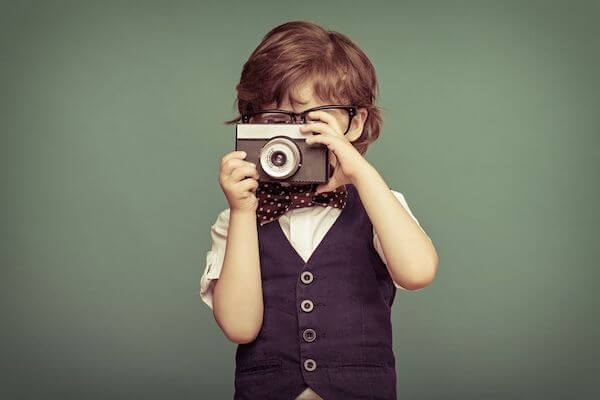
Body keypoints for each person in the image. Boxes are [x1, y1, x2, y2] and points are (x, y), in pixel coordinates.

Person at [200, 20, 438, 400]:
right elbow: (240, 327)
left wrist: (360, 173)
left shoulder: (378, 205)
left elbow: (418, 273)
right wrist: (243, 213)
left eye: (314, 120)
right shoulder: (237, 218)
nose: (295, 135)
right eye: (275, 121)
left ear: (354, 122)